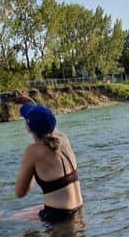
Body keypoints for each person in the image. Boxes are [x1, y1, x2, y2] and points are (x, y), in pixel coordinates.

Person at [13, 93, 84, 223]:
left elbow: (20, 193)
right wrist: (30, 102)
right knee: (26, 213)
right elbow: (46, 123)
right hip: (78, 211)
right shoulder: (63, 139)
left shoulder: (33, 152)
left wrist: (32, 170)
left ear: (28, 128)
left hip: (58, 217)